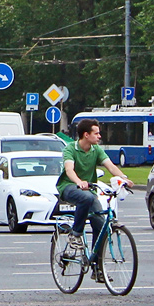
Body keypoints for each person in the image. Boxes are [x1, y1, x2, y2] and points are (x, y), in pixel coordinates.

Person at [57, 118, 131, 282]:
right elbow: (69, 169)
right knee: (87, 197)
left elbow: (110, 166)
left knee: (101, 225)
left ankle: (97, 269)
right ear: (86, 134)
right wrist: (79, 182)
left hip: (88, 190)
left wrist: (124, 178)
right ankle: (75, 234)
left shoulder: (96, 150)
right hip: (69, 187)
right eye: (96, 133)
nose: (99, 136)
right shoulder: (71, 149)